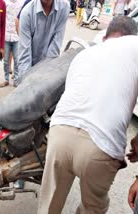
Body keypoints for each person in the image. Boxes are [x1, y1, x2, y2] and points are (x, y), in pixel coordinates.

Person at [38, 16, 138, 214]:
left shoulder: (86, 53)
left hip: (59, 133)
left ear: (105, 37)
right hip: (100, 146)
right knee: (93, 207)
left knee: (49, 203)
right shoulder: (134, 45)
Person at [17, 0, 69, 79]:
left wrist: (46, 79)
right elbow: (25, 57)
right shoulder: (27, 13)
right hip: (30, 66)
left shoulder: (64, 7)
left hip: (48, 67)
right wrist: (26, 85)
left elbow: (54, 48)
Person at [0, 0, 23, 88]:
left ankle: (16, 79)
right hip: (6, 36)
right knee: (5, 60)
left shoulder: (21, 3)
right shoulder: (4, 3)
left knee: (17, 60)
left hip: (16, 36)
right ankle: (6, 79)